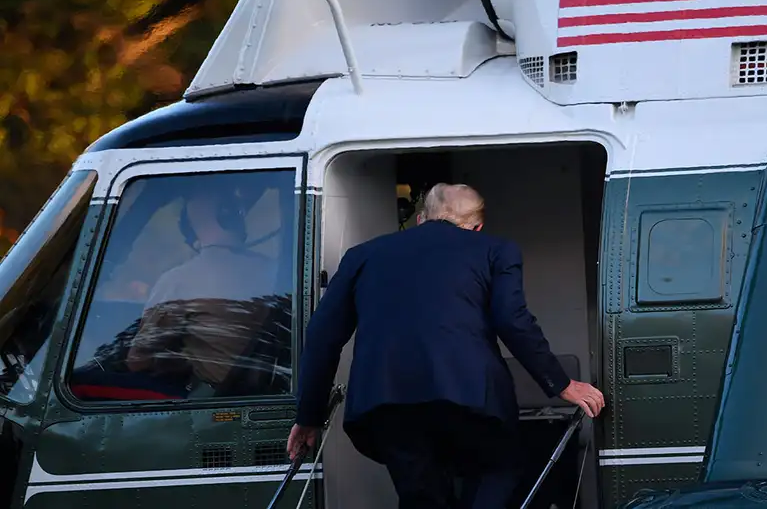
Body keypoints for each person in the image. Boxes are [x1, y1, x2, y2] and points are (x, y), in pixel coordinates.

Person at [288, 182, 605, 509]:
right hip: (469, 399)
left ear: (421, 219)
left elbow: (322, 335)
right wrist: (562, 385)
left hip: (386, 403)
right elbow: (513, 321)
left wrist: (309, 415)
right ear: (477, 227)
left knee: (422, 494)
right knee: (500, 468)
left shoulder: (361, 256)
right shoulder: (496, 249)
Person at [124, 182, 277, 398]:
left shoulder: (178, 281)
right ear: (232, 216)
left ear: (188, 230)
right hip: (273, 393)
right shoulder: (278, 272)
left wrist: (182, 360)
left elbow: (138, 361)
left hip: (220, 404)